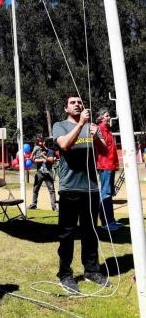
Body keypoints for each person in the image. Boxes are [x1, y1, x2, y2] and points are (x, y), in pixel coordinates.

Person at [53, 95, 112, 294]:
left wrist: (96, 136)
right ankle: (65, 274)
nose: (77, 104)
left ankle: (92, 270)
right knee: (67, 234)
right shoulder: (60, 126)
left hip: (91, 189)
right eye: (72, 102)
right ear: (65, 108)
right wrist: (81, 124)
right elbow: (64, 145)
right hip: (69, 188)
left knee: (90, 232)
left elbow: (105, 152)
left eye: (80, 102)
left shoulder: (92, 127)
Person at [96, 108, 123, 231]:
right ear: (101, 117)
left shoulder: (108, 130)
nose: (109, 117)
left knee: (108, 194)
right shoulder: (100, 129)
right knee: (105, 194)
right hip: (105, 166)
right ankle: (105, 223)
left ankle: (111, 221)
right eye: (107, 116)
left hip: (110, 165)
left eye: (109, 115)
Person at [28, 137, 58, 211]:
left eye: (40, 142)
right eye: (38, 143)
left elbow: (51, 160)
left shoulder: (50, 151)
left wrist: (43, 156)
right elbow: (33, 160)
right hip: (39, 173)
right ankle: (33, 205)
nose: (39, 144)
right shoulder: (38, 150)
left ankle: (54, 206)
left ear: (44, 142)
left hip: (48, 173)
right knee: (35, 189)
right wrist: (41, 159)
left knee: (51, 190)